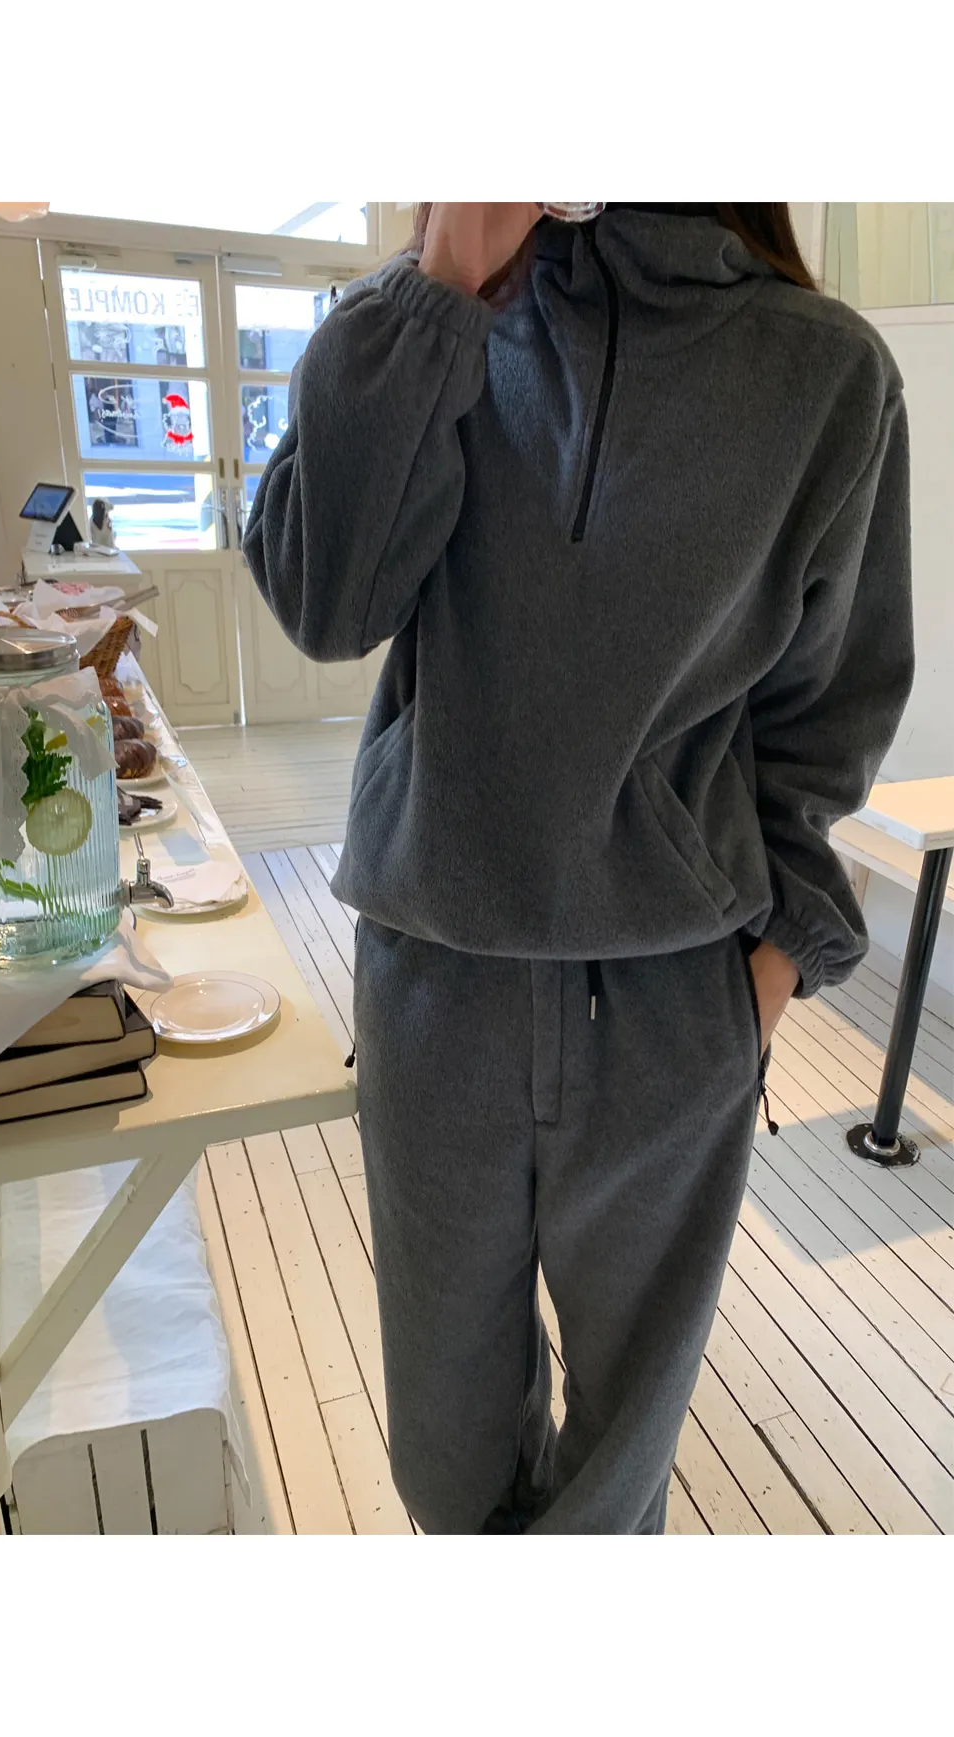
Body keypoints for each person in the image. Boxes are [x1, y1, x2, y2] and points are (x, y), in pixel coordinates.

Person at [244, 203, 913, 1535]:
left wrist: (771, 970)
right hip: (436, 989)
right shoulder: (411, 327)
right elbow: (326, 604)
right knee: (446, 1460)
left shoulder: (826, 371)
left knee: (616, 1475)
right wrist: (445, 275)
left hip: (672, 1005)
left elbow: (829, 706)